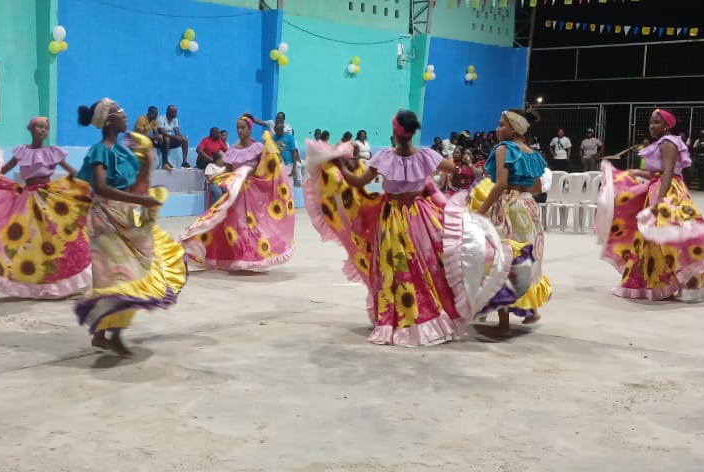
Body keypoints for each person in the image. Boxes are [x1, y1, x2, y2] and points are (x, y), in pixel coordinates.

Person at [303, 109, 509, 347]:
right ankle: (425, 314)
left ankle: (398, 316)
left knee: (392, 267)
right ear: (412, 133)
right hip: (419, 215)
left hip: (391, 218)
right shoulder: (426, 156)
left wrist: (339, 166)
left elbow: (358, 182)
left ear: (395, 131)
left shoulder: (385, 157)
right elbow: (454, 169)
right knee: (422, 266)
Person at [74, 98, 187, 356]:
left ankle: (103, 334)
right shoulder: (99, 150)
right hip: (104, 218)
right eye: (120, 114)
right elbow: (101, 188)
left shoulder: (123, 153)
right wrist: (141, 201)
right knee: (117, 276)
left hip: (123, 216)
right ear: (108, 121)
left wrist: (147, 164)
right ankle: (111, 334)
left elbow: (131, 185)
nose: (126, 118)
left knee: (129, 274)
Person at [596, 109, 704, 301]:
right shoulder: (662, 143)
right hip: (659, 188)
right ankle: (658, 283)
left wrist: (661, 201)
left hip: (668, 191)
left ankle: (669, 282)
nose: (651, 126)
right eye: (650, 122)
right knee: (654, 237)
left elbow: (669, 171)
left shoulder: (668, 142)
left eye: (656, 122)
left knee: (671, 234)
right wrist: (635, 172)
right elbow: (656, 173)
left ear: (666, 126)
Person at [0, 116, 92, 299]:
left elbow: (72, 171)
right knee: (29, 240)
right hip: (28, 198)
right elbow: (2, 172)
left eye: (45, 127)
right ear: (30, 130)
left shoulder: (52, 152)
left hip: (49, 198)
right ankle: (33, 283)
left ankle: (59, 283)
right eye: (39, 126)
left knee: (55, 237)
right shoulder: (22, 152)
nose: (42, 130)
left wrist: (89, 181)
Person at [469, 109, 551, 337]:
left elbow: (501, 184)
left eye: (502, 124)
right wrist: (522, 192)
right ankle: (532, 310)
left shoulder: (504, 149)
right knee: (525, 257)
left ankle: (503, 324)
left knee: (502, 259)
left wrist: (481, 212)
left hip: (507, 207)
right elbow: (537, 188)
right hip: (528, 208)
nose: (497, 129)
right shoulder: (533, 154)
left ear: (514, 128)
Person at [178, 114, 296, 271]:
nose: (240, 131)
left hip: (252, 194)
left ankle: (250, 257)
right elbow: (228, 170)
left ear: (249, 129)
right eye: (238, 128)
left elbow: (264, 169)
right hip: (235, 194)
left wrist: (253, 170)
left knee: (254, 226)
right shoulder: (232, 150)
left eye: (243, 127)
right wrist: (218, 175)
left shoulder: (257, 148)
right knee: (233, 226)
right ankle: (235, 256)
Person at [154, 105, 190, 170]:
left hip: (170, 140)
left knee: (185, 139)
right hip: (160, 141)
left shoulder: (175, 119)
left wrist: (181, 137)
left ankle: (184, 162)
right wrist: (175, 137)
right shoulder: (161, 119)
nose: (176, 114)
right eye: (173, 112)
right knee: (167, 138)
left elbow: (177, 132)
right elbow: (163, 132)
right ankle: (165, 163)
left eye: (176, 112)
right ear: (168, 112)